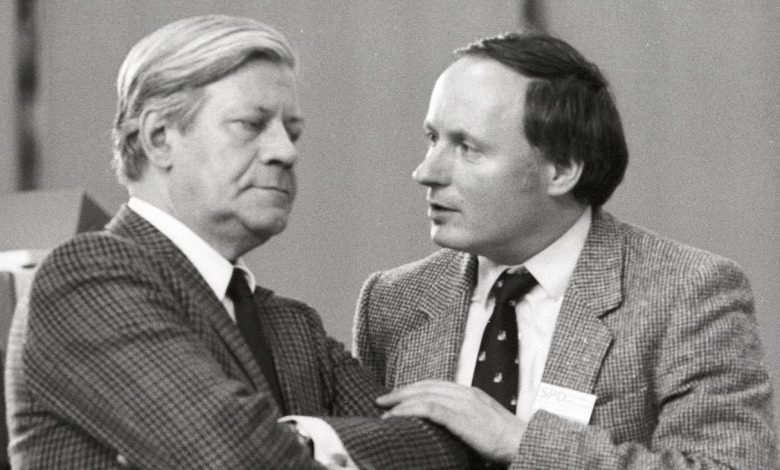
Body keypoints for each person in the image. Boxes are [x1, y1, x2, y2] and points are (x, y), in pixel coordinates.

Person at [3, 15, 471, 469]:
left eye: (292, 132)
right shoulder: (86, 279)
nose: (285, 151)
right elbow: (240, 460)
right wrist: (312, 445)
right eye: (251, 124)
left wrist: (297, 438)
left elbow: (441, 450)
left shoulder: (292, 326)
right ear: (159, 137)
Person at [356, 32, 778, 469]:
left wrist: (518, 441)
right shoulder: (391, 301)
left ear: (561, 170)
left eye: (468, 148)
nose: (426, 171)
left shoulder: (686, 293)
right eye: (432, 138)